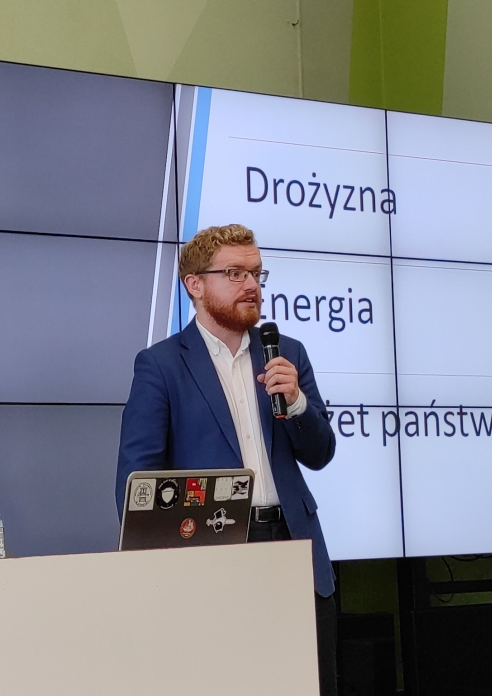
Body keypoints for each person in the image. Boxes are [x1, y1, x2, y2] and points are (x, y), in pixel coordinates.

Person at [115, 223, 338, 695]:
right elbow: (137, 484)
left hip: (294, 547)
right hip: (212, 557)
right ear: (195, 285)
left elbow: (320, 454)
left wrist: (297, 402)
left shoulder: (287, 354)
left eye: (257, 273)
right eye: (235, 273)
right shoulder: (161, 365)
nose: (252, 285)